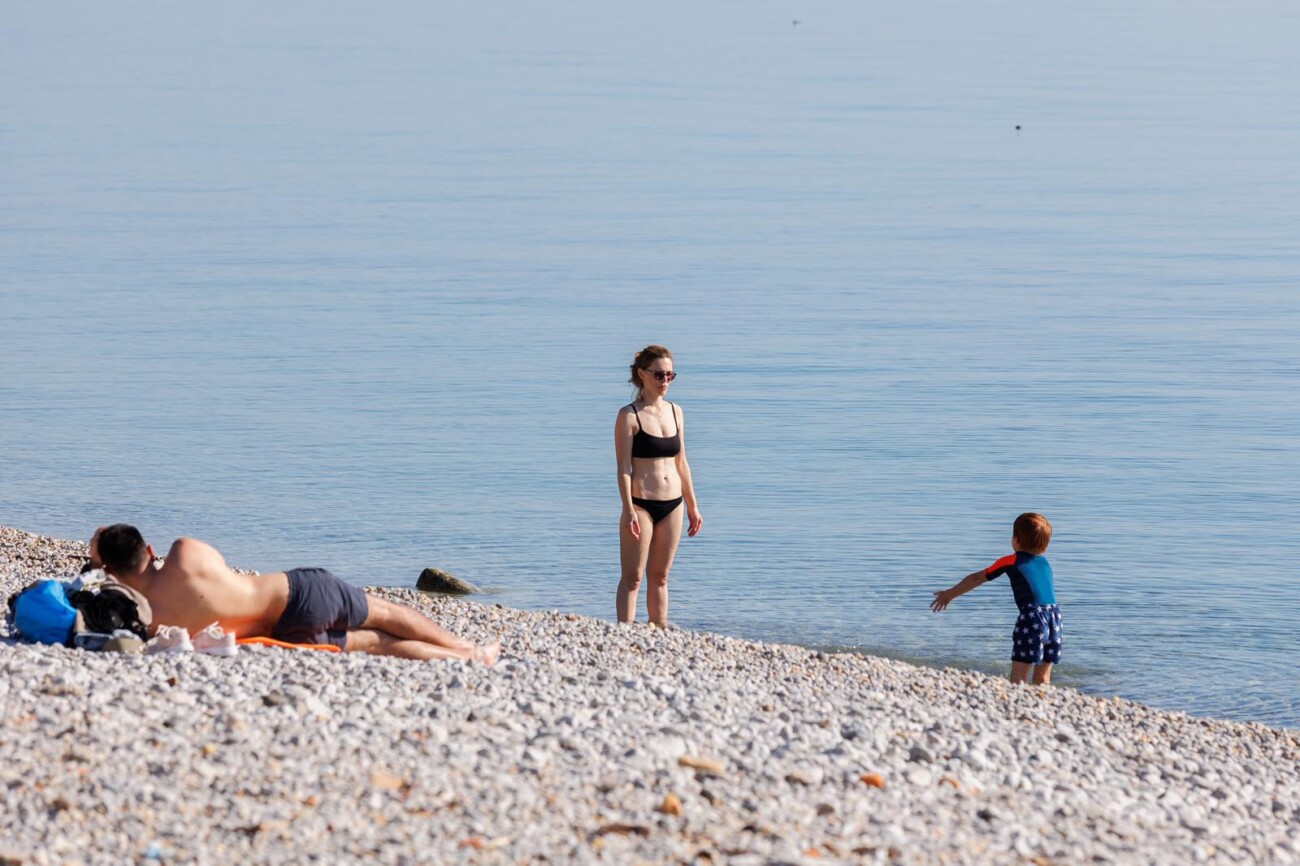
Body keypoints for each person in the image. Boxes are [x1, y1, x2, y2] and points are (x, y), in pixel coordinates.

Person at [87, 524, 500, 664]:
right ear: (149, 550)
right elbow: (218, 568)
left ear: (108, 572)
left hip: (285, 635)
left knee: (377, 644)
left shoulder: (150, 618)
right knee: (385, 613)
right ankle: (468, 650)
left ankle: (461, 659)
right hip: (297, 594)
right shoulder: (184, 552)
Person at [614, 345, 703, 626]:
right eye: (659, 375)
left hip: (673, 504)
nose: (665, 381)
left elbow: (682, 462)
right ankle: (623, 632)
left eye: (670, 375)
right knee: (633, 577)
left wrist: (692, 505)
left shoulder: (676, 412)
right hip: (641, 504)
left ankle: (659, 629)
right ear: (642, 374)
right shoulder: (629, 416)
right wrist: (628, 509)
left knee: (661, 576)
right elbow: (624, 468)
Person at [930, 513, 1060, 685]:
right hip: (1054, 617)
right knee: (1043, 678)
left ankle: (1017, 701)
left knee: (1019, 676)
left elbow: (977, 578)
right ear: (1045, 545)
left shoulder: (1011, 560)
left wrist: (949, 594)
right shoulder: (1045, 563)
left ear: (1015, 540)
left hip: (1032, 617)